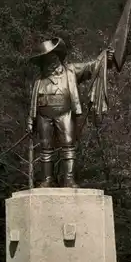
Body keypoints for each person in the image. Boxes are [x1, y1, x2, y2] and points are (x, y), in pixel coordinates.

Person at [27, 37, 114, 188]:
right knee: (45, 148)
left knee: (68, 145)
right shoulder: (38, 80)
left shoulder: (71, 70)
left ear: (58, 57)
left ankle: (68, 179)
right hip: (43, 116)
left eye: (52, 57)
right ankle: (47, 179)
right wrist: (30, 119)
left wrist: (105, 57)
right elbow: (33, 102)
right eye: (46, 59)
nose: (50, 61)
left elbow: (91, 67)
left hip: (65, 113)